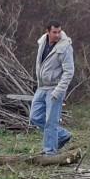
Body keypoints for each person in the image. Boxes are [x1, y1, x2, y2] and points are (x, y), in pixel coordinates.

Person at [30, 20, 74, 155]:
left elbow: (69, 71)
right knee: (35, 117)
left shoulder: (65, 47)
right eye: (54, 32)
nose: (57, 35)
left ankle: (49, 152)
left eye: (59, 31)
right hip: (42, 87)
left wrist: (58, 91)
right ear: (47, 32)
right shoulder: (42, 42)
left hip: (55, 88)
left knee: (51, 121)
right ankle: (63, 135)